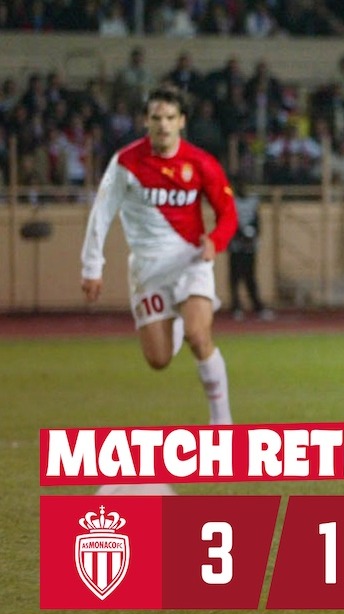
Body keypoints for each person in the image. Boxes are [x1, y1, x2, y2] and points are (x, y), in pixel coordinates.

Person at [81, 86, 238, 449]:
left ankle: (222, 423)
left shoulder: (201, 163)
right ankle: (176, 320)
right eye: (156, 118)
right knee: (158, 359)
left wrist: (215, 242)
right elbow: (101, 213)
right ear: (145, 121)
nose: (163, 125)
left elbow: (228, 212)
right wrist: (92, 266)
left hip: (190, 261)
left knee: (199, 336)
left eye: (170, 118)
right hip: (148, 271)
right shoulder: (126, 163)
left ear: (182, 121)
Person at [228, 177, 274, 321]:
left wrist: (252, 234)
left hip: (249, 246)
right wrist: (240, 234)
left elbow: (257, 220)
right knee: (235, 277)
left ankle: (257, 306)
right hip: (235, 245)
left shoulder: (253, 201)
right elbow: (229, 220)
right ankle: (236, 306)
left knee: (250, 276)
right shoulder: (231, 201)